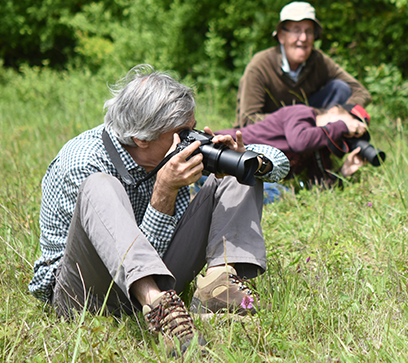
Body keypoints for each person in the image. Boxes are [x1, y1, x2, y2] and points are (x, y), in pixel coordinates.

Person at [28, 64, 290, 355]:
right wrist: (164, 191)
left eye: (192, 129)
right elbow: (121, 261)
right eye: (183, 133)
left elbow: (278, 162)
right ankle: (163, 312)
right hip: (86, 293)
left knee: (236, 172)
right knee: (100, 185)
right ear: (141, 138)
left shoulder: (164, 148)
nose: (191, 140)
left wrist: (247, 160)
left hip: (159, 273)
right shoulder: (82, 161)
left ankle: (218, 289)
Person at [236, 1, 372, 128]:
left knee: (340, 88)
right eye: (296, 30)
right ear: (281, 36)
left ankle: (325, 150)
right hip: (268, 137)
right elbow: (248, 120)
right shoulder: (260, 65)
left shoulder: (318, 60)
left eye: (309, 31)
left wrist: (342, 113)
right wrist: (309, 117)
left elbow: (361, 92)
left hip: (307, 132)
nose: (303, 38)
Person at [218, 103, 370, 188]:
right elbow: (299, 142)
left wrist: (343, 172)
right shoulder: (303, 112)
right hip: (224, 148)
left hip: (246, 171)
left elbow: (317, 185)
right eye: (351, 122)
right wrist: (341, 126)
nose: (350, 131)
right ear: (334, 110)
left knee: (277, 192)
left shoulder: (319, 145)